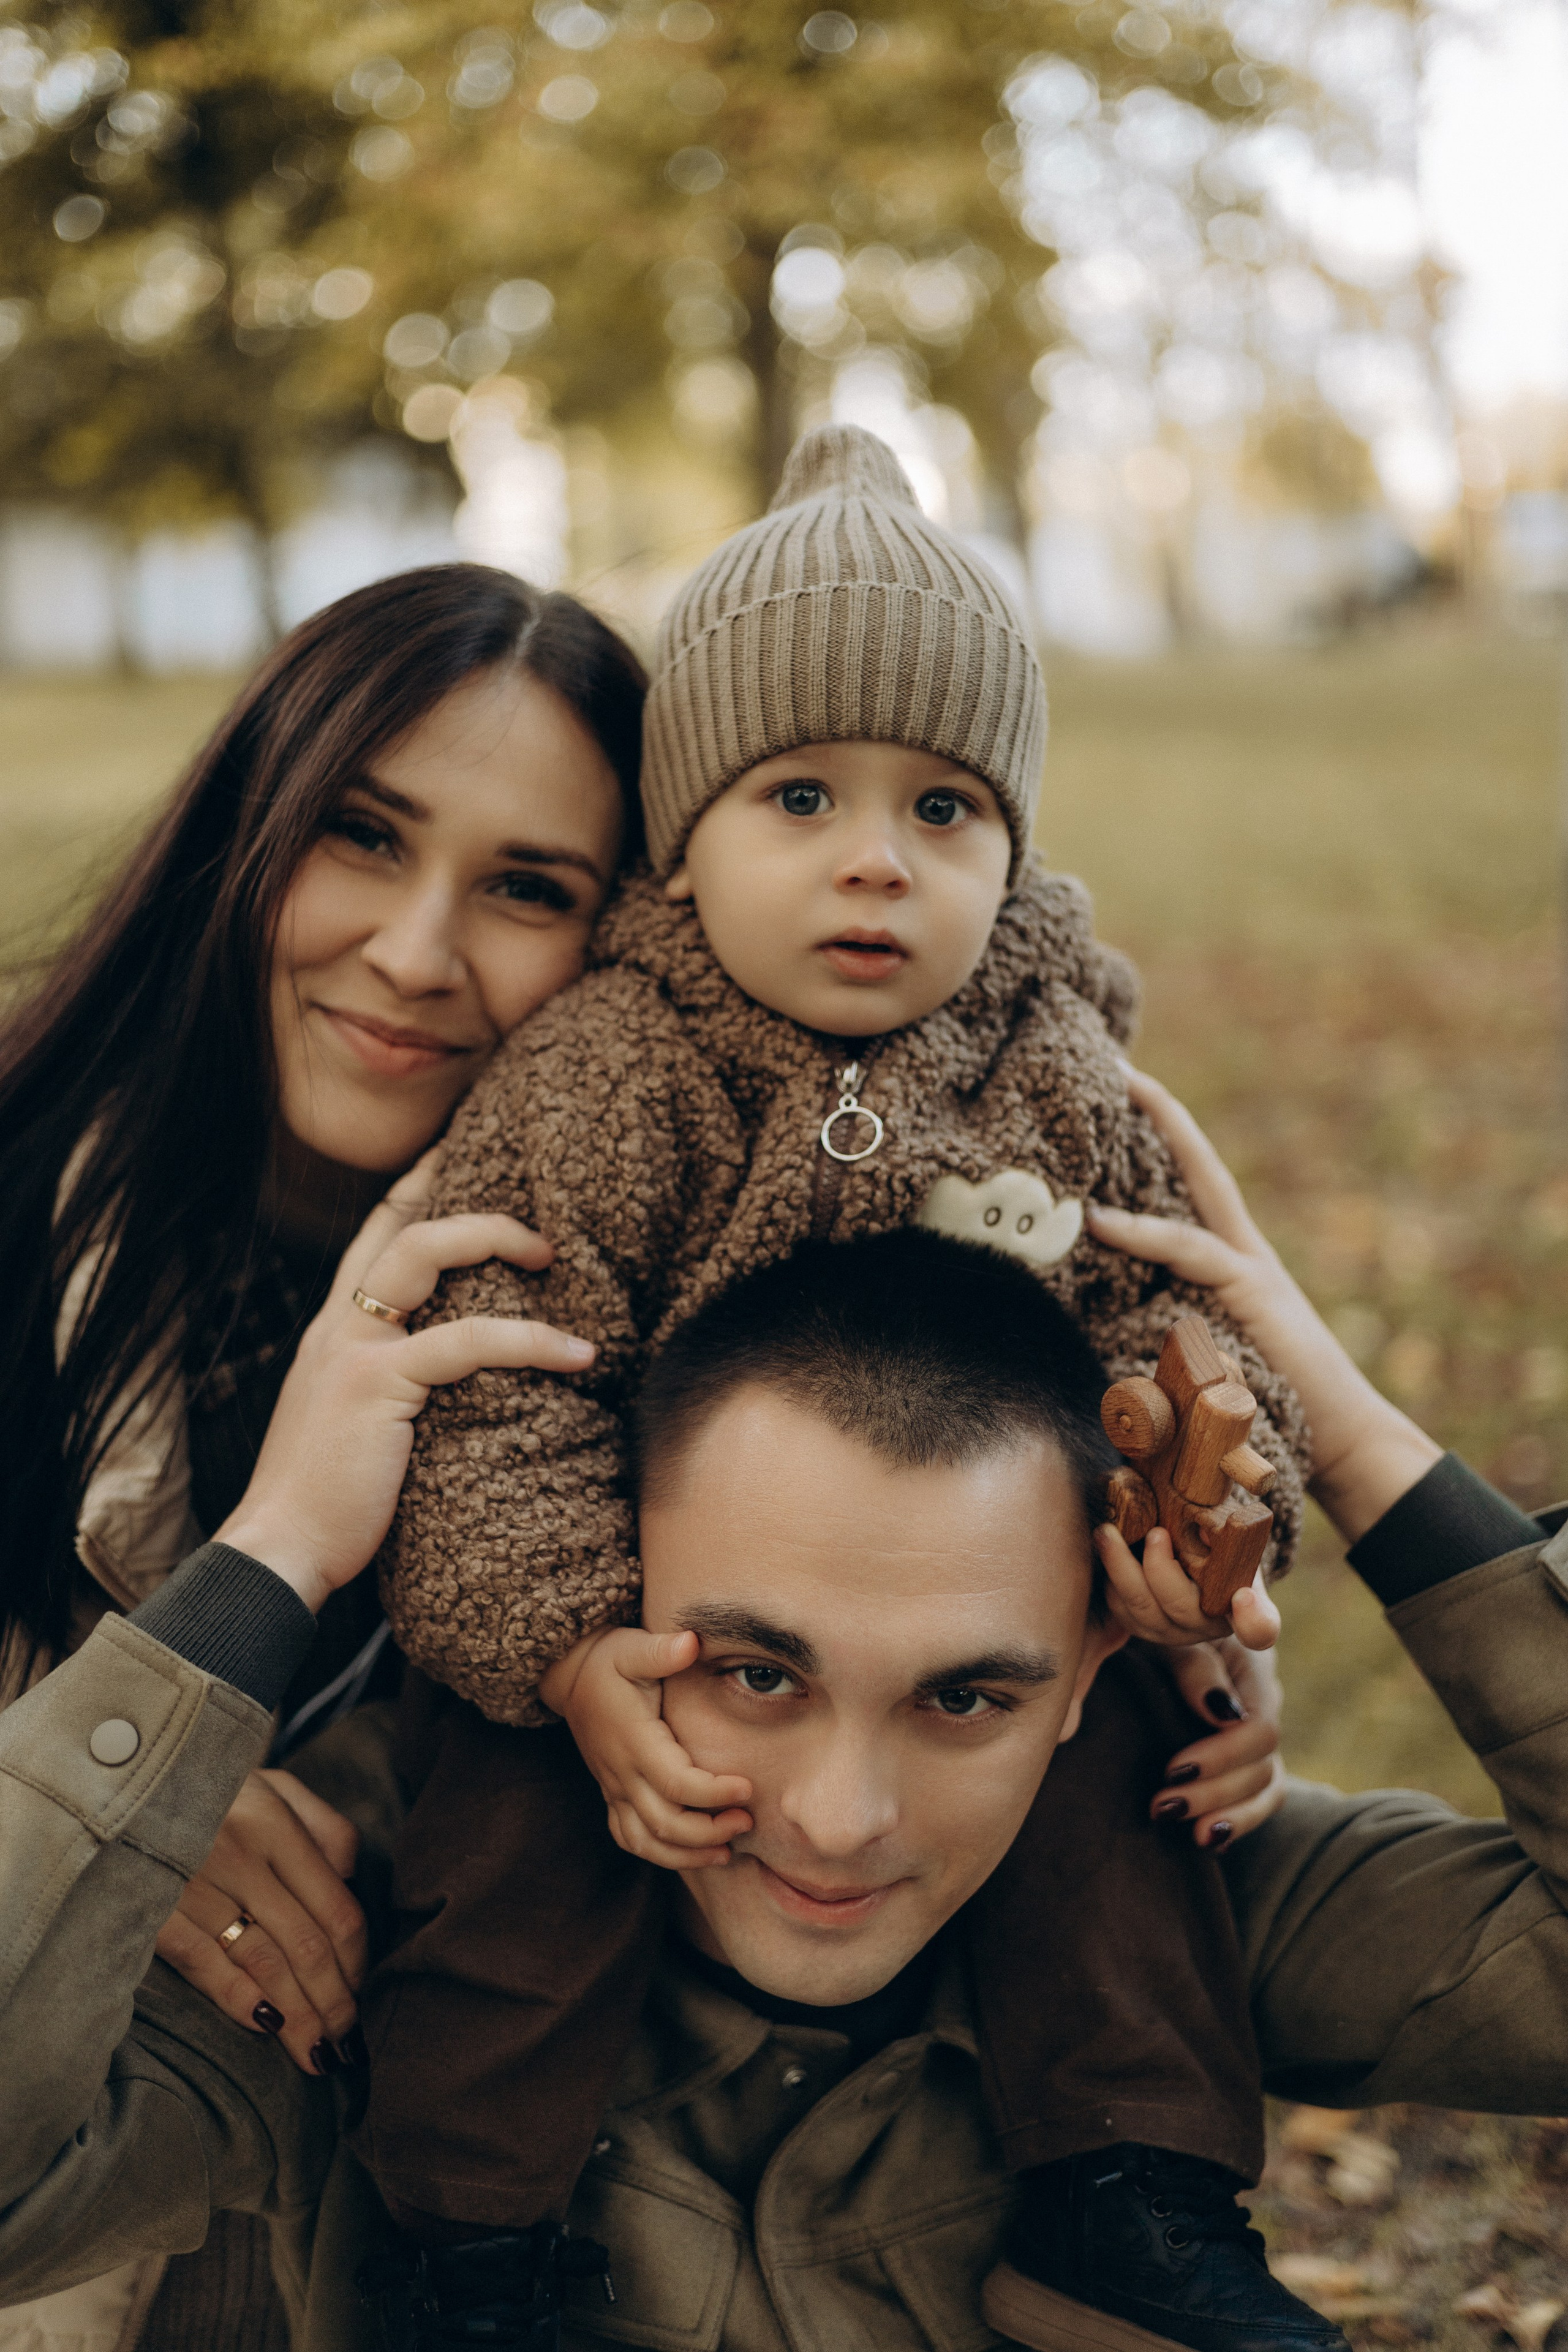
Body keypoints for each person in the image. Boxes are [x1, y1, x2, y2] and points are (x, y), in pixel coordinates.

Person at [1, 1161, 1566, 2352]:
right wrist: (269, 1560)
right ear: (615, 1600)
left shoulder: (1185, 1867)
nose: (837, 1820)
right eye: (753, 1672)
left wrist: (1343, 1431)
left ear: (1095, 1670)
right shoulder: (367, 1903)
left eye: (965, 1701)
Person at [362, 423, 1310, 2346]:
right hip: (657, 1627)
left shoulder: (1054, 1074)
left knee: (1125, 1799)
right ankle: (471, 2240)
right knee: (517, 1852)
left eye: (948, 809)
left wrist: (1202, 1546)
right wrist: (565, 1650)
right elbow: (496, 1391)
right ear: (684, 832)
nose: (879, 857)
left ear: (1016, 846)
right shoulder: (609, 1075)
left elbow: (1169, 1343)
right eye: (801, 794)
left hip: (970, 1621)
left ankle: (1127, 2189)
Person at [0, 561, 646, 2348]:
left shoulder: (648, 1311)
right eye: (363, 836)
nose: (421, 953)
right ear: (248, 826)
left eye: (529, 888)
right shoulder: (23, 1198)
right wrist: (123, 1796)